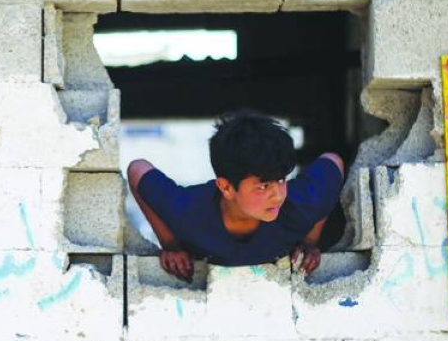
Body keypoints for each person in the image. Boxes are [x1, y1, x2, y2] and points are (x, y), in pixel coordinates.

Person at [127, 111, 345, 282]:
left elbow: (333, 162)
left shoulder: (299, 206)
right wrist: (171, 244)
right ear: (226, 187)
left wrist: (310, 242)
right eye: (263, 186)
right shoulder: (187, 213)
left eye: (281, 180)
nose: (278, 196)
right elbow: (137, 169)